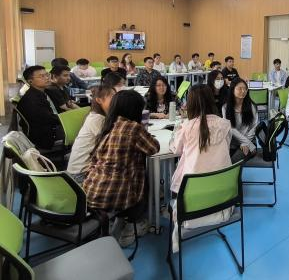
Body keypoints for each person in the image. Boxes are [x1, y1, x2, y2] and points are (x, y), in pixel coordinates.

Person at [83, 90, 159, 222]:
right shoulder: (133, 127)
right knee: (146, 180)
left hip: (91, 190)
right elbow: (153, 148)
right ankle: (135, 223)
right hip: (115, 194)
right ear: (135, 110)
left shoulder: (109, 125)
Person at [169, 84, 233, 234]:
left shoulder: (188, 127)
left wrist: (176, 132)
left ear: (190, 104)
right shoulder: (224, 124)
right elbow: (227, 146)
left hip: (192, 207)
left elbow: (176, 149)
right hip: (223, 200)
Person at [66, 86, 115, 184]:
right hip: (81, 174)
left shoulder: (98, 115)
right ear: (99, 100)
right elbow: (112, 143)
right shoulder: (97, 119)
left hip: (83, 169)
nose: (116, 100)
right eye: (112, 97)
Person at [17, 66, 64, 150]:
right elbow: (50, 119)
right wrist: (68, 118)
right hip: (45, 138)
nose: (47, 78)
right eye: (42, 76)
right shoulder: (32, 100)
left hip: (50, 129)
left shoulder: (42, 92)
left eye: (47, 75)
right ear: (30, 81)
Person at [223, 78, 258, 163]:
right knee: (222, 161)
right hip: (232, 142)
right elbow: (230, 128)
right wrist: (245, 142)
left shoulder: (251, 106)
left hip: (250, 140)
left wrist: (246, 143)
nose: (243, 91)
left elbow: (254, 126)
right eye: (240, 88)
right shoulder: (225, 107)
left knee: (233, 162)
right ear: (232, 90)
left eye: (245, 89)